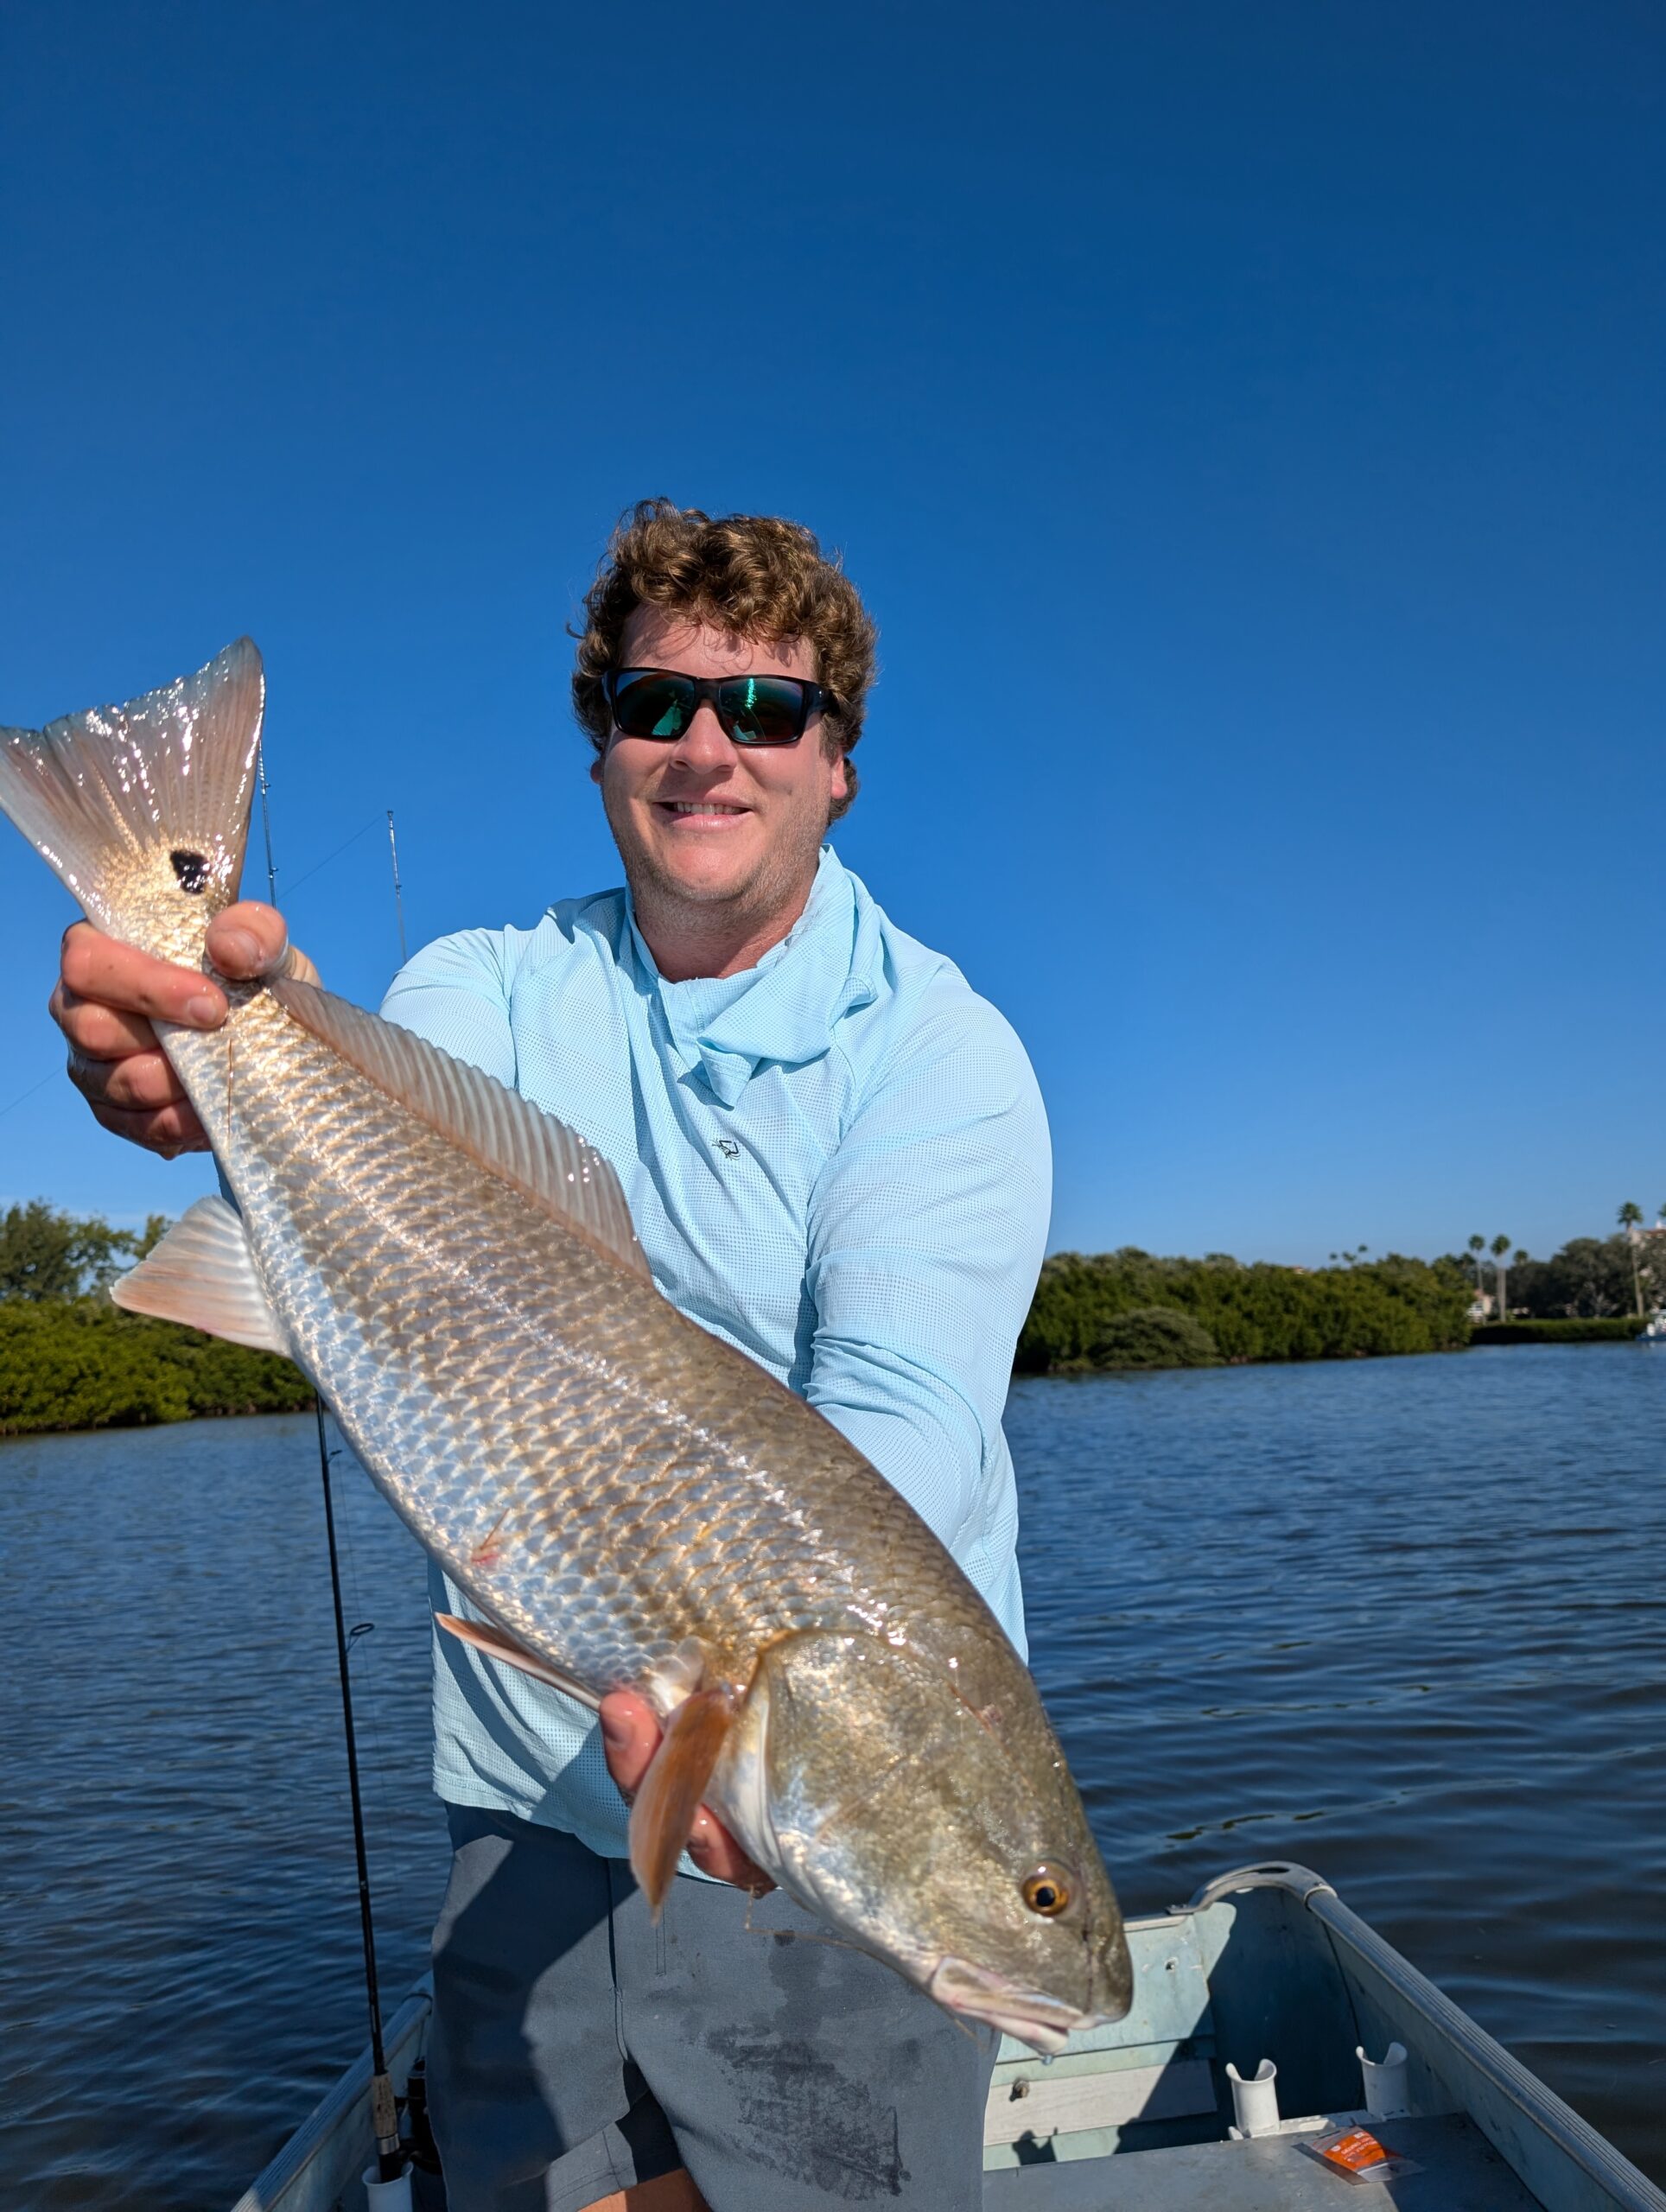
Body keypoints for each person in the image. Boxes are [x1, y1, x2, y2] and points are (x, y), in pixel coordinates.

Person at [49, 503, 1051, 2211]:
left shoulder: (942, 1053)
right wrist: (212, 1035)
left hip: (816, 1828)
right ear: (602, 751)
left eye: (768, 709)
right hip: (522, 1798)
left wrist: (763, 1745)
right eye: (658, 703)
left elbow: (902, 1426)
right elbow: (375, 1155)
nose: (709, 748)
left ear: (838, 768)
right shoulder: (486, 985)